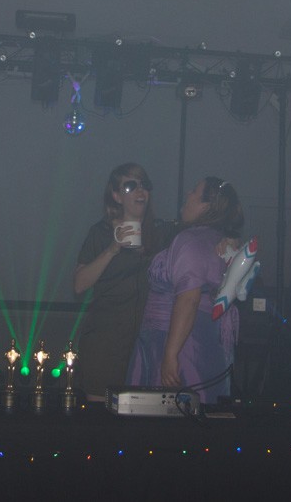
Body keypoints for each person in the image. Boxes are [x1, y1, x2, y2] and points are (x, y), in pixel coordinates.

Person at [127, 176, 245, 404]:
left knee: (172, 409)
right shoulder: (217, 239)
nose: (188, 195)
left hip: (178, 341)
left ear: (207, 206)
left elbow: (189, 300)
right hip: (200, 340)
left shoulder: (191, 240)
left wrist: (170, 355)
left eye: (194, 192)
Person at [73, 163, 177, 402]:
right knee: (101, 413)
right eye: (131, 186)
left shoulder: (161, 232)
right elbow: (79, 284)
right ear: (116, 196)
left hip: (147, 343)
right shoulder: (100, 233)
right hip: (105, 341)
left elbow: (196, 233)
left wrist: (228, 239)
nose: (140, 191)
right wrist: (112, 248)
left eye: (144, 185)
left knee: (142, 413)